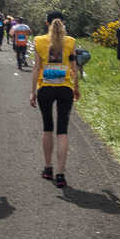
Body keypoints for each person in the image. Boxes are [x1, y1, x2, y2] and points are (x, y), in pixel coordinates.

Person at [30, 10, 80, 188]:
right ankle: (60, 175)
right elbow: (74, 67)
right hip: (65, 88)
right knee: (63, 132)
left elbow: (36, 68)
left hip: (45, 88)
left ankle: (48, 168)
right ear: (63, 23)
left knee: (47, 128)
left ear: (46, 23)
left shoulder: (39, 41)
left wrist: (32, 92)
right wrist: (76, 87)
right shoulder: (71, 42)